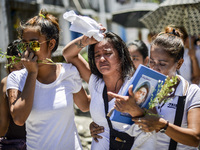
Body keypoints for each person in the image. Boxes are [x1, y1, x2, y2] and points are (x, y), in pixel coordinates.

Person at [6, 9, 90, 150]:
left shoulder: (68, 72)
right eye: (23, 45)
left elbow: (85, 105)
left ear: (51, 44)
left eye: (33, 44)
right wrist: (32, 73)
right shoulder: (16, 78)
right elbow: (19, 118)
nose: (28, 50)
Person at [63, 31, 157, 150]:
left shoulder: (135, 86)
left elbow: (153, 124)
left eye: (108, 53)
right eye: (97, 55)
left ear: (121, 55)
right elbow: (68, 54)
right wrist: (86, 40)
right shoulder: (95, 82)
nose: (102, 59)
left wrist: (134, 110)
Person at [109, 27, 200, 149]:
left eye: (162, 64)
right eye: (152, 62)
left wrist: (162, 125)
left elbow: (195, 139)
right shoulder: (141, 85)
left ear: (179, 63)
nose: (155, 68)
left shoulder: (191, 92)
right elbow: (120, 123)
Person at [0, 40, 26, 149]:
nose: (16, 73)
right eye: (13, 67)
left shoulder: (38, 82)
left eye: (21, 68)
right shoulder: (5, 83)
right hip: (14, 143)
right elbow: (3, 121)